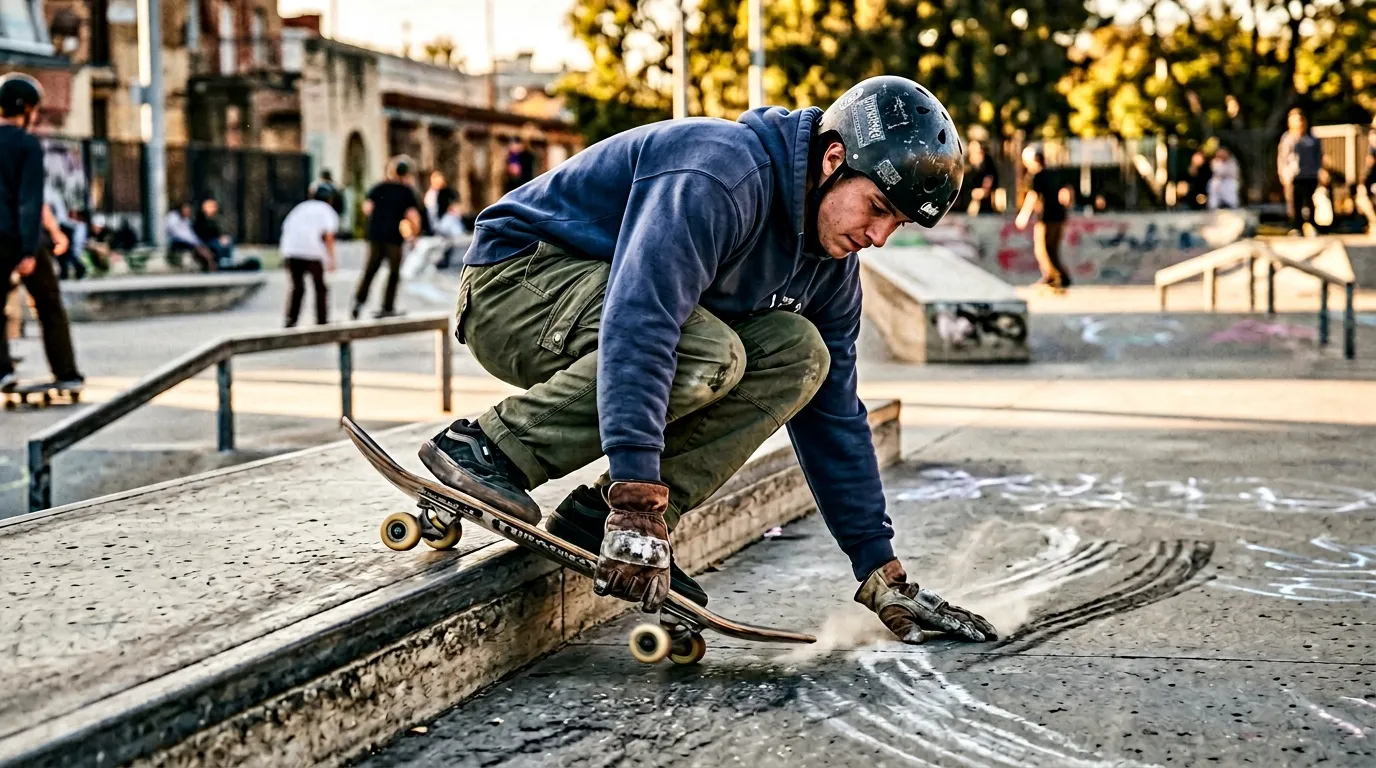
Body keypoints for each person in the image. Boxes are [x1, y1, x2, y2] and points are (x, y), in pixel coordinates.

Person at [419, 75, 997, 644]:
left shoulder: (830, 270)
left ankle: (596, 520)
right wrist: (637, 498)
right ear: (833, 160)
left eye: (895, 223)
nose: (877, 236)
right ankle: (489, 448)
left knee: (801, 355)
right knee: (707, 351)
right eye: (876, 208)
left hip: (596, 312)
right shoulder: (721, 174)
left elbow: (835, 416)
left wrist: (880, 569)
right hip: (516, 285)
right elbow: (643, 322)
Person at [0, 73, 84, 393]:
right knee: (48, 303)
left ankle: (1, 372)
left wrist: (54, 230)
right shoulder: (27, 146)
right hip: (21, 239)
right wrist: (27, 250)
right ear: (27, 109)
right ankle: (66, 372)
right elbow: (30, 200)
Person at [354, 155, 422, 319]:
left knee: (370, 270)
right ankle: (387, 307)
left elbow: (367, 207)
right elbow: (412, 216)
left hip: (375, 235)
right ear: (406, 175)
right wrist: (413, 236)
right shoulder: (406, 192)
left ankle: (358, 302)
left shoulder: (379, 187)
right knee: (393, 273)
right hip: (393, 237)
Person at [279, 185, 340, 327]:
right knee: (320, 286)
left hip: (291, 251)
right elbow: (328, 236)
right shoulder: (326, 210)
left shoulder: (300, 208)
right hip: (312, 252)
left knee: (297, 287)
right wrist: (331, 259)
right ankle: (322, 320)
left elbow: (286, 228)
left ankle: (291, 319)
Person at [1014, 144, 1071, 291]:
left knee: (1043, 249)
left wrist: (1024, 215)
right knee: (1053, 248)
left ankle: (1056, 277)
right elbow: (1067, 191)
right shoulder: (1054, 173)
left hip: (1046, 217)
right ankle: (1055, 277)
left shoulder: (1036, 176)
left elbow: (1033, 196)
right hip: (1059, 216)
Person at [1278, 108, 1326, 235]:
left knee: (1310, 201)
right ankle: (1296, 226)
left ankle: (1311, 224)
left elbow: (1318, 156)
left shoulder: (1312, 139)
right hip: (1294, 175)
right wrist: (1283, 173)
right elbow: (1282, 158)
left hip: (1310, 174)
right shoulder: (1288, 139)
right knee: (1295, 202)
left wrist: (1319, 170)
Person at [165, 202, 216, 271]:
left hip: (188, 242)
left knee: (202, 247)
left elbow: (191, 234)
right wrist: (194, 243)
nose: (188, 212)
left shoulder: (186, 220)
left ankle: (208, 263)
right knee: (198, 248)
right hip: (177, 242)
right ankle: (209, 263)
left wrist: (199, 242)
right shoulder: (173, 217)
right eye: (186, 210)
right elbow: (176, 233)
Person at [193, 197, 235, 267]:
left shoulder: (217, 217)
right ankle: (221, 261)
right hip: (205, 241)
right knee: (218, 244)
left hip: (215, 239)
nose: (213, 208)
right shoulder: (200, 218)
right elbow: (203, 233)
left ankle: (225, 260)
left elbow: (221, 230)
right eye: (210, 206)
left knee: (228, 240)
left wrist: (222, 237)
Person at [963, 140, 1000, 215]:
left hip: (985, 209)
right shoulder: (965, 164)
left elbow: (989, 181)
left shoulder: (988, 165)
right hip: (965, 207)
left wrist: (982, 192)